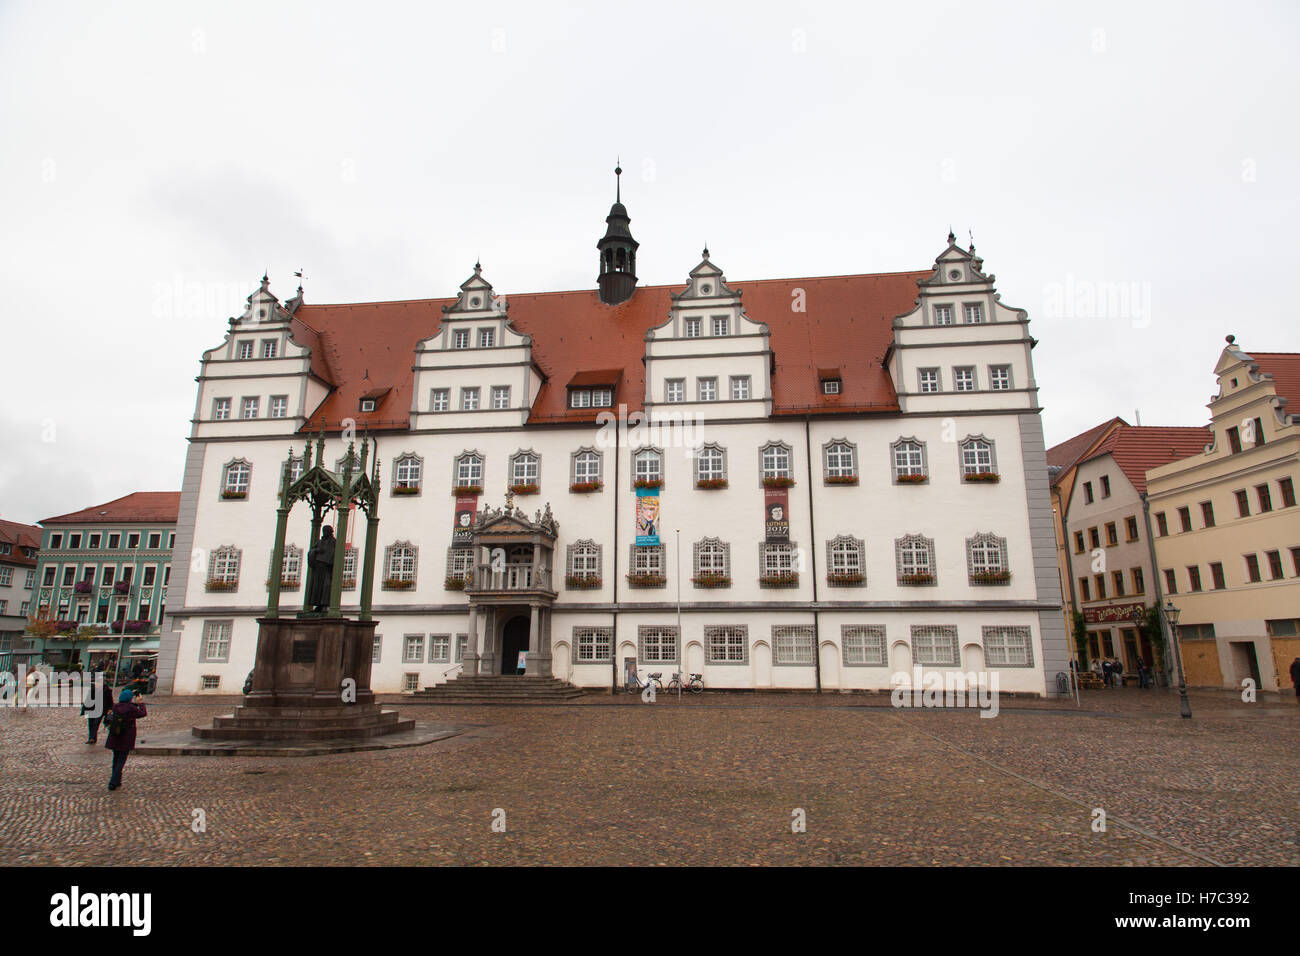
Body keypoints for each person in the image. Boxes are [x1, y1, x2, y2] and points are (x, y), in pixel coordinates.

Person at [105, 687, 147, 791]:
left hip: (115, 736)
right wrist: (140, 703)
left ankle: (117, 780)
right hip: (126, 737)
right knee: (121, 761)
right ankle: (113, 782)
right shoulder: (131, 709)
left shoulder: (116, 707)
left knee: (116, 759)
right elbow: (142, 713)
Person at [306, 525, 336, 612]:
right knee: (317, 587)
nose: (325, 533)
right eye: (324, 531)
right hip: (318, 568)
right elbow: (312, 550)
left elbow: (333, 554)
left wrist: (327, 562)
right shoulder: (320, 542)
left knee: (325, 587)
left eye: (326, 531)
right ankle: (318, 604)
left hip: (326, 568)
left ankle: (324, 604)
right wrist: (316, 551)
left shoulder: (333, 542)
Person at [81, 671, 114, 744]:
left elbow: (110, 701)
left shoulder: (107, 690)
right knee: (91, 724)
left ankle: (92, 738)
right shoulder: (92, 689)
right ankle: (92, 738)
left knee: (96, 723)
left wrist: (110, 709)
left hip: (101, 710)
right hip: (91, 709)